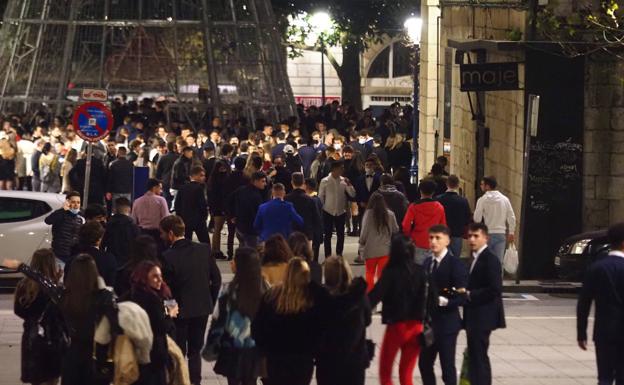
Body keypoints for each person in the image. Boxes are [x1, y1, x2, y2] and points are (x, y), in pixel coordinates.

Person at [3, 254, 117, 385]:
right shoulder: (105, 297)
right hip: (95, 355)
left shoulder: (63, 296)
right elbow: (116, 326)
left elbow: (42, 281)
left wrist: (21, 266)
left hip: (72, 356)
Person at [161, 215, 222, 385]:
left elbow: (166, 290)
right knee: (195, 351)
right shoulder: (203, 249)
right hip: (201, 307)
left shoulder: (167, 256)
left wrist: (171, 310)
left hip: (179, 311)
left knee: (178, 351)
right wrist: (209, 299)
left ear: (171, 233)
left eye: (162, 233)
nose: (161, 237)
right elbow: (216, 279)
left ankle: (180, 380)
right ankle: (196, 381)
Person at [252, 258, 329, 385]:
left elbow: (257, 327)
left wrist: (265, 350)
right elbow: (321, 327)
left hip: (275, 358)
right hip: (302, 359)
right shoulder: (311, 298)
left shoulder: (272, 296)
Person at [368, 234, 427, 385]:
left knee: (386, 371)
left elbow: (374, 297)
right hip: (417, 327)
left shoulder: (391, 272)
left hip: (397, 326)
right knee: (406, 373)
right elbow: (429, 299)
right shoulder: (421, 271)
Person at [203, 247, 266, 385]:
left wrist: (211, 346)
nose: (231, 263)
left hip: (232, 348)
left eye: (234, 260)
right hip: (256, 349)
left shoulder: (228, 291)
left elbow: (218, 320)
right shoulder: (265, 290)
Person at [418, 225, 468, 385]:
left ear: (447, 240)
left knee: (447, 368)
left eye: (438, 238)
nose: (433, 241)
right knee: (424, 364)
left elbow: (462, 296)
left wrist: (446, 301)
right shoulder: (427, 263)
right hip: (429, 325)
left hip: (447, 324)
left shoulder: (455, 264)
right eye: (431, 238)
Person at [577, 222, 624, 385]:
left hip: (604, 330)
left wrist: (581, 332)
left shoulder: (597, 268)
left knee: (604, 377)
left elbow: (584, 302)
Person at [317, 256, 371, 385]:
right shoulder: (358, 296)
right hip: (354, 361)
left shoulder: (323, 299)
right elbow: (368, 320)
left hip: (328, 361)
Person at [464, 223, 506, 385]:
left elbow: (495, 289)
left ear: (486, 238)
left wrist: (470, 294)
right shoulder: (475, 258)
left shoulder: (490, 259)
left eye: (476, 236)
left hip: (483, 316)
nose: (472, 240)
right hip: (474, 314)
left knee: (479, 355)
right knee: (475, 355)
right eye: (470, 236)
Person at [14, 249, 63, 385]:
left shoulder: (24, 286)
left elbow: (18, 310)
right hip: (52, 337)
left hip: (32, 336)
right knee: (52, 378)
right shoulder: (55, 288)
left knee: (36, 378)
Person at [127, 260, 178, 385]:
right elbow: (162, 326)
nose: (160, 280)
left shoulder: (131, 295)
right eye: (155, 277)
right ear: (144, 279)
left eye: (160, 276)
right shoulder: (151, 300)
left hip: (138, 354)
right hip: (153, 355)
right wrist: (170, 314)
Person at [359, 193, 399, 292]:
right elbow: (396, 230)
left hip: (370, 249)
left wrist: (362, 242)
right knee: (381, 275)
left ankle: (371, 296)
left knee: (370, 273)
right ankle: (381, 295)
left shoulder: (368, 214)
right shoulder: (390, 214)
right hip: (385, 250)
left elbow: (364, 231)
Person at [402, 179, 447, 265]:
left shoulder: (413, 207)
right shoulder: (439, 207)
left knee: (418, 271)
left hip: (417, 242)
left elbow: (405, 226)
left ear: (420, 191)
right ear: (433, 192)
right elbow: (443, 226)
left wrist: (409, 237)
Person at [473, 176, 516, 263]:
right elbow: (511, 217)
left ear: (487, 186)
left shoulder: (482, 200)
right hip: (500, 234)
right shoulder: (505, 199)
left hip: (487, 234)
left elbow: (477, 219)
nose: (481, 186)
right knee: (498, 262)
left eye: (482, 184)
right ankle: (497, 276)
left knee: (486, 262)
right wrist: (511, 232)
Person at [319, 160, 356, 258]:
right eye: (341, 168)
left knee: (341, 235)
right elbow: (321, 196)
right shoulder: (325, 181)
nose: (343, 170)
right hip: (328, 210)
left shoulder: (344, 181)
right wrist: (321, 208)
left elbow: (352, 194)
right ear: (334, 169)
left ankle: (339, 256)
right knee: (327, 235)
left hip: (340, 211)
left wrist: (349, 184)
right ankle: (328, 257)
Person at [70, 220, 118, 287]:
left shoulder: (73, 258)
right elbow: (110, 285)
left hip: (76, 295)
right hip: (100, 295)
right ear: (99, 239)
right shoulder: (109, 259)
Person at [436, 175, 472, 258]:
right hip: (457, 232)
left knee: (442, 257)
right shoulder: (463, 201)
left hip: (442, 232)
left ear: (447, 184)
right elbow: (467, 217)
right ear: (457, 185)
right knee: (455, 258)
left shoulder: (438, 200)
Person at [44, 191, 85, 265]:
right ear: (67, 202)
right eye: (73, 202)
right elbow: (48, 220)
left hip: (74, 256)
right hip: (60, 255)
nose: (76, 205)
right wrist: (62, 210)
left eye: (78, 202)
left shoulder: (81, 216)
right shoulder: (60, 213)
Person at [230, 171, 268, 248]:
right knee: (251, 253)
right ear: (256, 181)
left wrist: (232, 215)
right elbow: (258, 213)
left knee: (243, 250)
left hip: (240, 226)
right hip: (251, 230)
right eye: (263, 181)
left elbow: (229, 201)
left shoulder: (241, 190)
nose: (265, 184)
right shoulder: (256, 196)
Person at [174, 165, 210, 245]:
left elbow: (177, 204)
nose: (204, 177)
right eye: (201, 175)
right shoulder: (199, 189)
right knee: (205, 242)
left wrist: (179, 216)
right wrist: (205, 215)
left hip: (185, 219)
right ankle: (207, 257)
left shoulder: (182, 187)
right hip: (198, 220)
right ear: (194, 175)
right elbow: (202, 205)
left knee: (186, 242)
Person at [101, 197, 140, 266]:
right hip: (129, 263)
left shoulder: (108, 225)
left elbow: (103, 245)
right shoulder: (133, 226)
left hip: (112, 262)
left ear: (115, 209)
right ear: (129, 209)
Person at [285, 172, 322, 244]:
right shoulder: (310, 199)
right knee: (306, 254)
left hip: (291, 233)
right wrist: (318, 235)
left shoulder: (286, 199)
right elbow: (316, 218)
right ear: (303, 182)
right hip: (306, 233)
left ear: (292, 182)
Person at [132, 178, 170, 246]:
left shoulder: (137, 201)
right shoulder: (161, 200)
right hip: (158, 234)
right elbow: (166, 219)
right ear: (154, 188)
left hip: (142, 234)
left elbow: (134, 220)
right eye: (160, 188)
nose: (161, 191)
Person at [207, 160, 231, 259]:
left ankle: (215, 249)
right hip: (220, 207)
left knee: (217, 228)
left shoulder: (212, 180)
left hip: (216, 206)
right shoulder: (224, 179)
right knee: (217, 228)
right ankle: (215, 249)